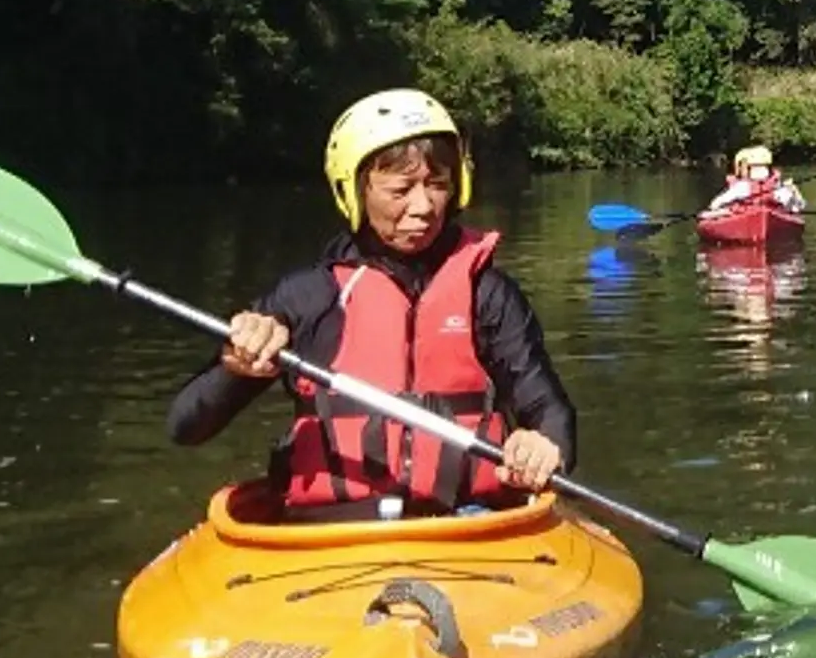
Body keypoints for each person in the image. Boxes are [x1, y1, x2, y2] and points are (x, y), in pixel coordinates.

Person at [168, 89, 573, 520]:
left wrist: (544, 446)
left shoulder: (487, 294)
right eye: (400, 189)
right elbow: (185, 427)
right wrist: (237, 368)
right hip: (330, 535)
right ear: (355, 191)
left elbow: (549, 410)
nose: (423, 207)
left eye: (438, 185)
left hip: (463, 526)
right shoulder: (308, 297)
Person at [702, 144, 807, 230]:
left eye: (761, 168)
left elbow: (798, 208)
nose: (759, 171)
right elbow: (716, 204)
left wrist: (794, 190)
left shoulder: (777, 189)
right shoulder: (742, 187)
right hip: (742, 213)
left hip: (768, 213)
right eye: (756, 168)